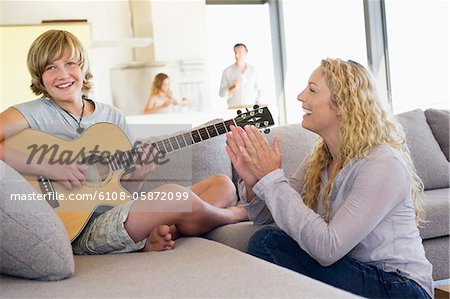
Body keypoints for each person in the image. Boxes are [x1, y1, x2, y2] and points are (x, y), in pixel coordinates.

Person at [0, 29, 247, 255]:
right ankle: (229, 216)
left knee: (223, 185)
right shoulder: (33, 113)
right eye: (51, 67)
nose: (63, 74)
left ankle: (164, 232)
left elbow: (122, 192)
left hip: (120, 215)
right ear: (39, 76)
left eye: (70, 63)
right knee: (173, 195)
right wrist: (48, 167)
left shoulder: (112, 117)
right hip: (81, 230)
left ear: (83, 67)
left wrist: (139, 172)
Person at [225, 58, 433, 298]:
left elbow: (328, 248)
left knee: (268, 243)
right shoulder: (321, 158)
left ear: (343, 105)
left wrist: (271, 178)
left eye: (312, 90)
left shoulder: (382, 163)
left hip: (399, 287)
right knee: (268, 239)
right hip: (356, 272)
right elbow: (264, 216)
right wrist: (254, 181)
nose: (300, 96)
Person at [219, 43, 262, 109]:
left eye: (240, 52)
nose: (237, 55)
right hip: (234, 109)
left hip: (250, 108)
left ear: (246, 53)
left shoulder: (253, 71)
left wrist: (258, 102)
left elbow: (260, 89)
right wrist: (232, 87)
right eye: (235, 52)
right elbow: (221, 94)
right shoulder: (227, 71)